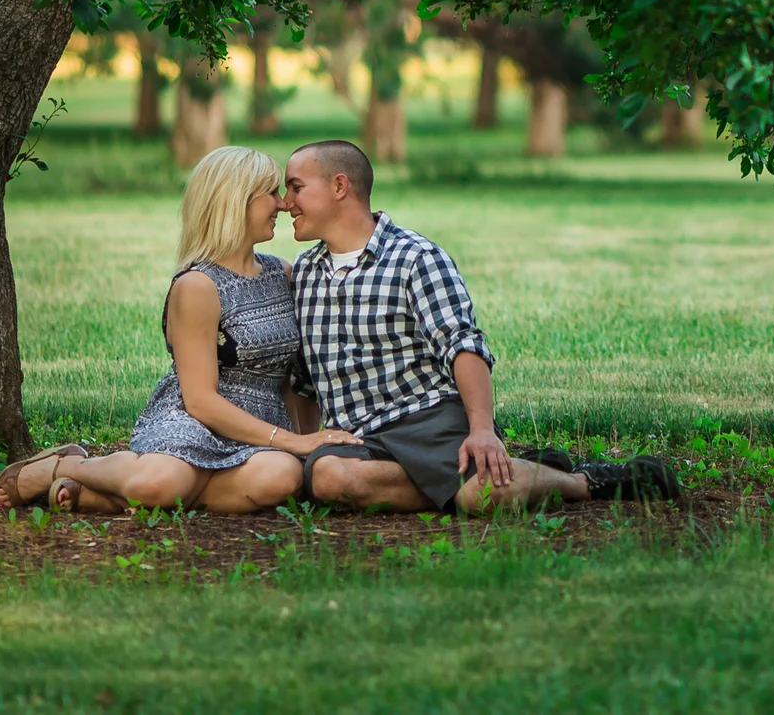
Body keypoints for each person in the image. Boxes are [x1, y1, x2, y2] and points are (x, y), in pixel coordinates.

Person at [282, 138, 679, 513]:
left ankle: (580, 481)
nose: (286, 203)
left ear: (339, 186)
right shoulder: (303, 273)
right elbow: (303, 379)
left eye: (295, 188)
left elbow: (462, 344)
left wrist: (482, 430)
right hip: (359, 440)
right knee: (327, 477)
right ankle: (521, 471)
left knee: (482, 499)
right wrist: (304, 444)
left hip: (429, 419)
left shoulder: (416, 258)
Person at [0, 145, 360, 514]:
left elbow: (292, 379)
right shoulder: (198, 285)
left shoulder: (282, 273)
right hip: (193, 420)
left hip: (261, 428)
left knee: (282, 478)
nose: (282, 205)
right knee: (161, 481)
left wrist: (300, 440)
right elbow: (200, 400)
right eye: (270, 194)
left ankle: (103, 496)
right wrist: (293, 441)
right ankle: (67, 464)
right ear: (234, 201)